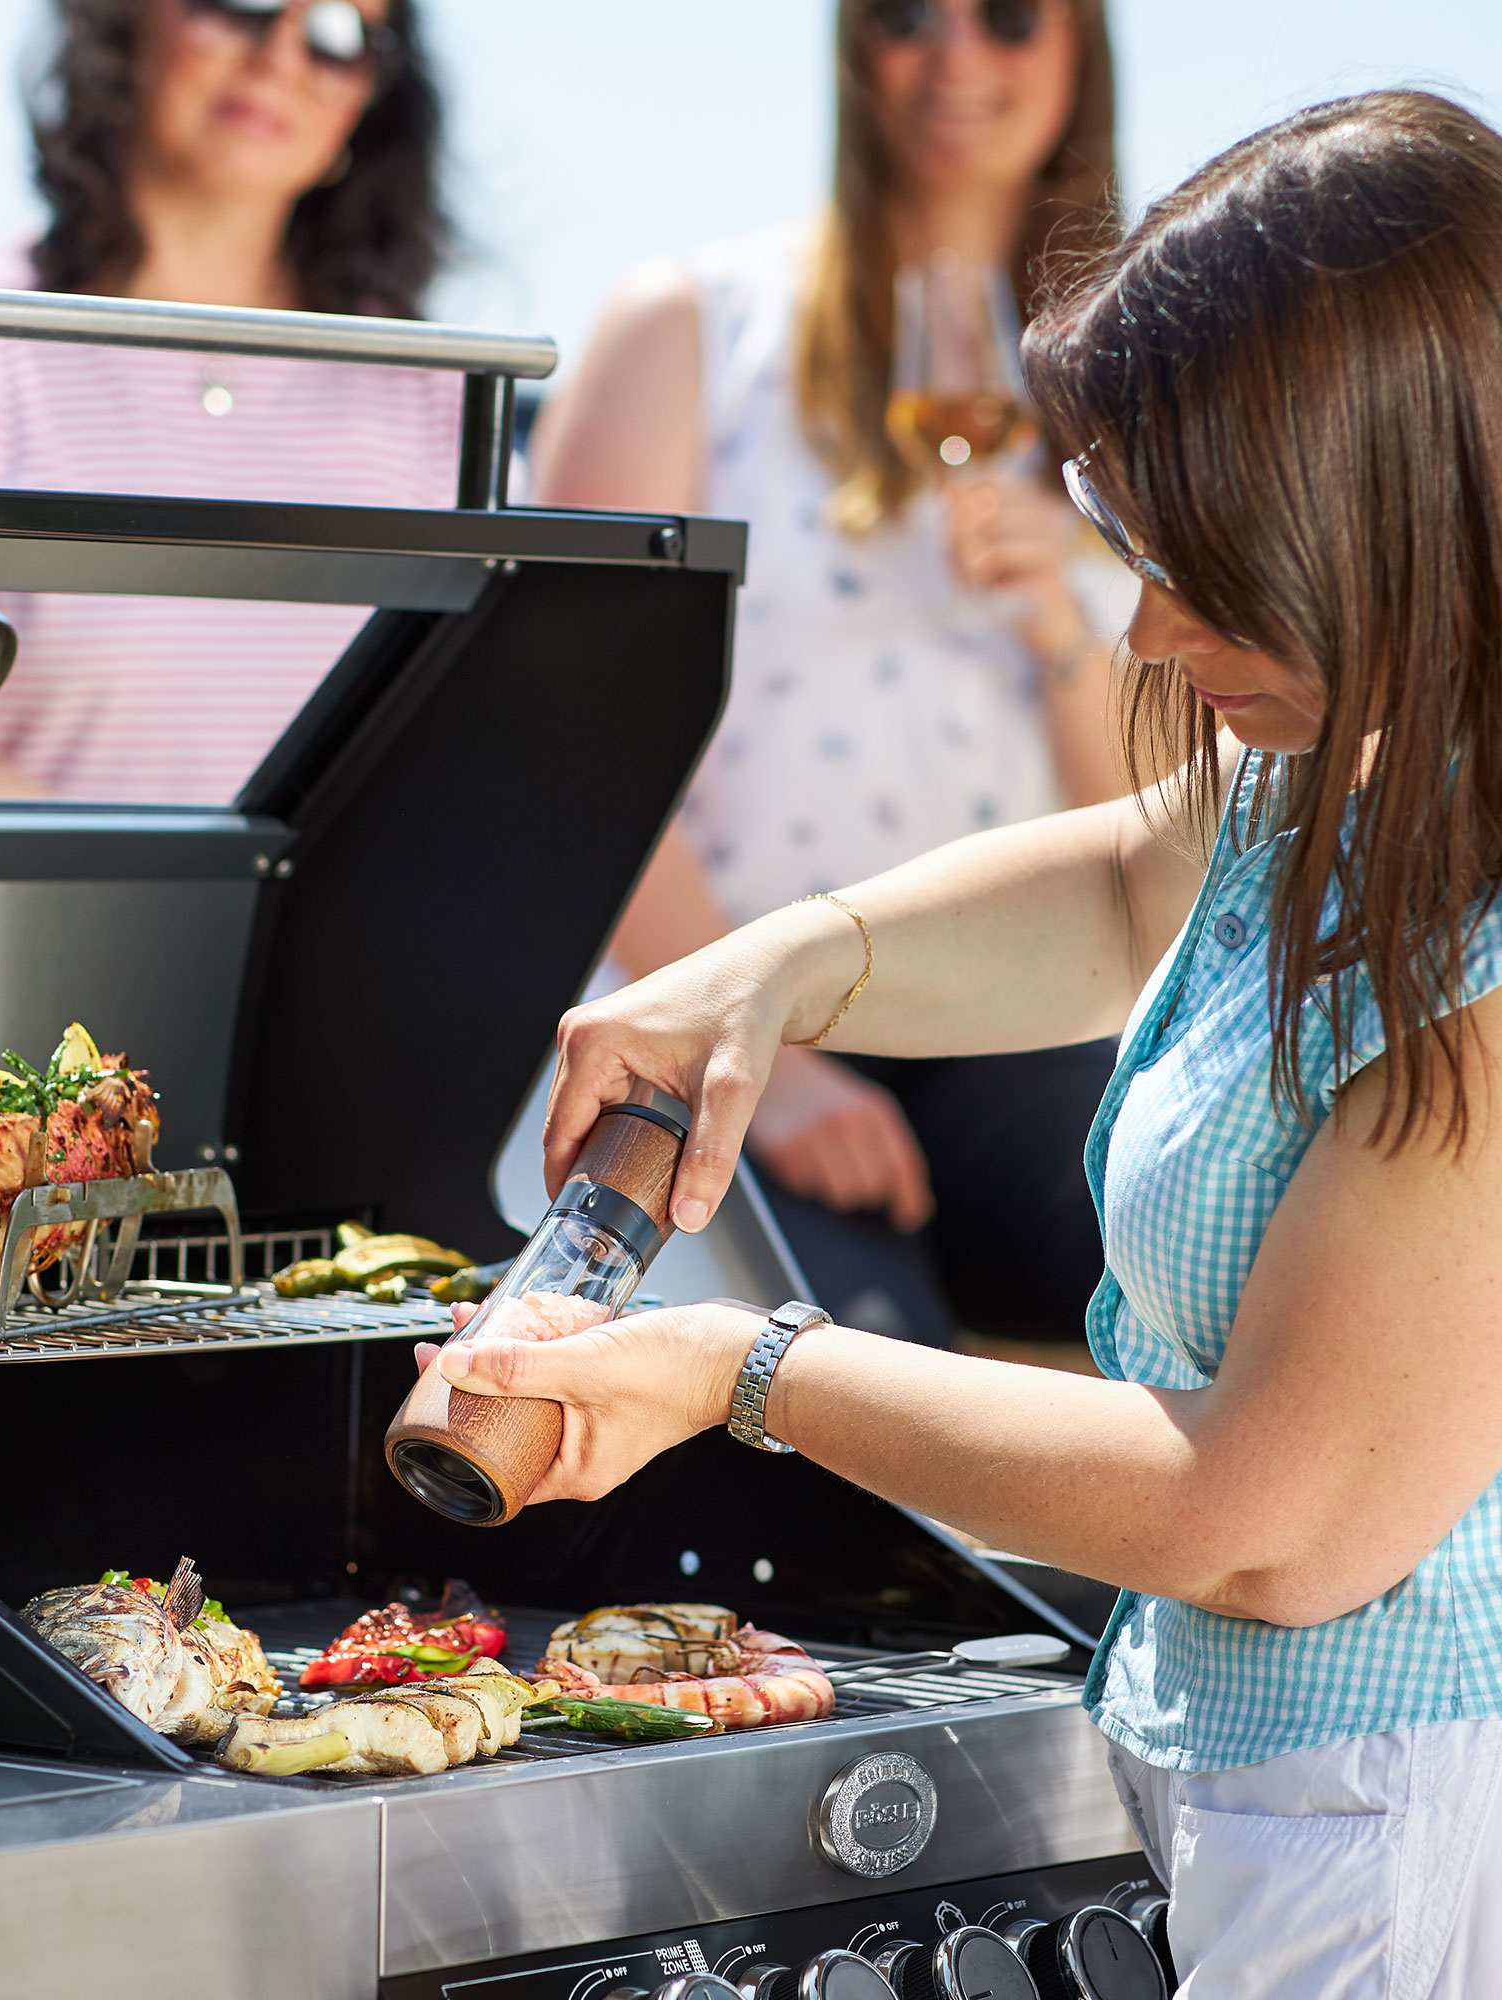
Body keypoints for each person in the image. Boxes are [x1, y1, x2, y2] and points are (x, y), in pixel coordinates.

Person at [427, 93, 1502, 1992]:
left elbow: (1259, 1522)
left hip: (1398, 1824)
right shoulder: (1369, 764)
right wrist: (768, 969)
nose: (1154, 631)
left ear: (1402, 512)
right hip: (1272, 1793)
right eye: (1135, 549)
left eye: (1215, 567)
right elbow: (1114, 891)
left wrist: (738, 1369)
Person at [533, 0, 1130, 1348]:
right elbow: (570, 733)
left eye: (1013, 18)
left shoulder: (1150, 384)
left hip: (1025, 1029)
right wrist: (766, 1053)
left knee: (1239, 1299)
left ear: (1081, 49)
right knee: (851, 1380)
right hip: (735, 1011)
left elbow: (1161, 815)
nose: (957, 55)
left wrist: (1058, 621)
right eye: (910, 16)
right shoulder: (690, 325)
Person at [0, 0, 462, 804]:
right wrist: (183, 922)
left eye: (339, 38)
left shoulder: (432, 387)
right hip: (19, 926)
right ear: (123, 22)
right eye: (245, 5)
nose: (282, 58)